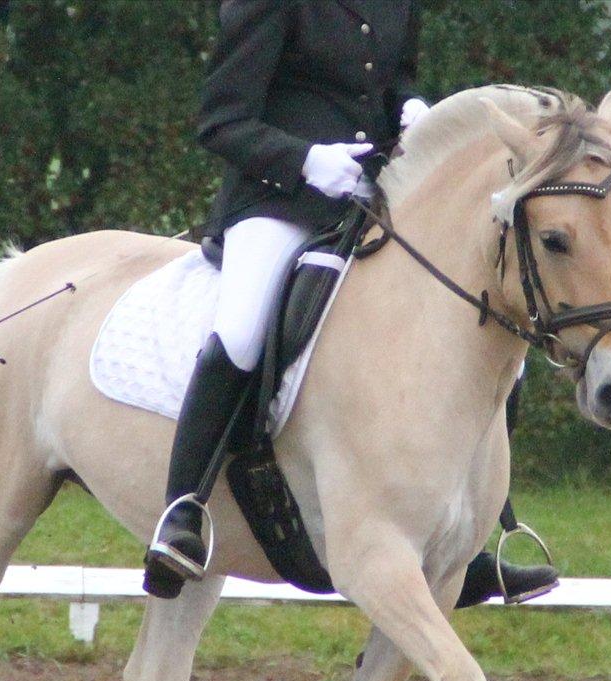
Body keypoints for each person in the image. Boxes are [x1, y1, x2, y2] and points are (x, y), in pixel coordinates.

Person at [143, 0, 557, 609]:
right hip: (275, 200)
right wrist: (305, 160)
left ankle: (465, 545)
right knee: (243, 328)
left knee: (497, 337)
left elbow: (393, 79)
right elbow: (221, 120)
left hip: (372, 196)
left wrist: (412, 108)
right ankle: (183, 512)